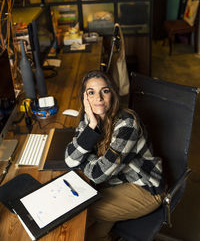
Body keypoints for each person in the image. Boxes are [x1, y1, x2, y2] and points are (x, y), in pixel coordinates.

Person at [65, 70, 165, 241]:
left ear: (112, 93)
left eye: (105, 91)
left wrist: (86, 160)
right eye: (91, 92)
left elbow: (98, 174)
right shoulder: (89, 119)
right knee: (87, 235)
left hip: (144, 188)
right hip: (114, 184)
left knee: (80, 210)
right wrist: (92, 127)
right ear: (85, 97)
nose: (98, 98)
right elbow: (70, 160)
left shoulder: (127, 124)